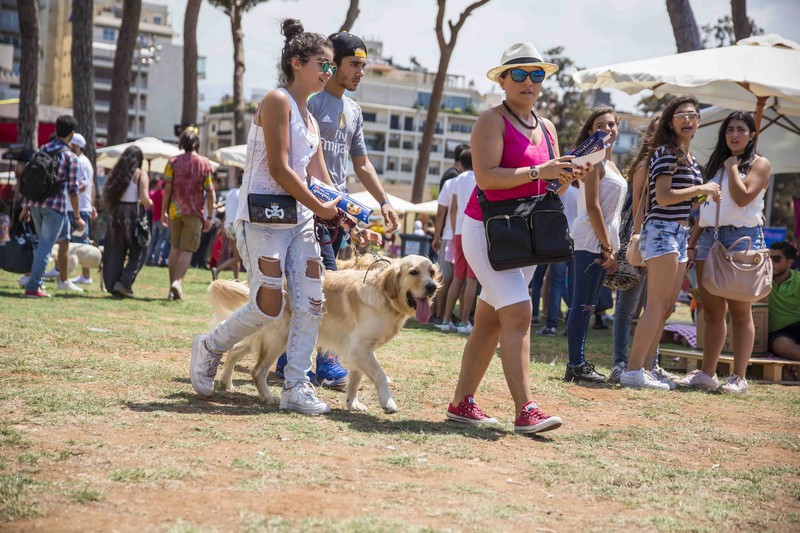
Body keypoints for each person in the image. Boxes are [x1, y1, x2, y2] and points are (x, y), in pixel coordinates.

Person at [191, 19, 354, 414]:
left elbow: (322, 177)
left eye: (332, 65)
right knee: (266, 305)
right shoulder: (277, 101)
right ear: (297, 63)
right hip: (263, 219)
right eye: (323, 63)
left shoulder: (311, 118)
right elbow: (281, 169)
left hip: (299, 224)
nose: (328, 72)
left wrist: (347, 212)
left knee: (312, 301)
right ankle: (210, 345)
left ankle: (297, 384)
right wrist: (321, 208)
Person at [446, 42, 588, 434]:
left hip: (525, 233)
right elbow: (488, 178)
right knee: (520, 313)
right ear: (503, 80)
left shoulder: (547, 127)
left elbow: (547, 190)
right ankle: (526, 409)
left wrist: (567, 177)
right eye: (520, 74)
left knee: (490, 321)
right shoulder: (490, 120)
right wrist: (541, 170)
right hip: (487, 231)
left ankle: (461, 403)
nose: (529, 82)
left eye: (537, 74)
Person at [289, 30, 400, 387]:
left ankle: (294, 358)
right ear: (332, 63)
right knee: (322, 286)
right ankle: (320, 362)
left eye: (363, 66)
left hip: (339, 213)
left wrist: (384, 202)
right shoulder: (310, 101)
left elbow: (362, 163)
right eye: (354, 64)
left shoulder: (353, 110)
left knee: (319, 286)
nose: (360, 73)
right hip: (307, 208)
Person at [621, 95, 721, 390]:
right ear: (670, 122)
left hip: (678, 232)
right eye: (680, 115)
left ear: (699, 121)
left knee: (665, 307)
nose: (687, 120)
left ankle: (648, 368)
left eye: (692, 115)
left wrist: (704, 194)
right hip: (662, 230)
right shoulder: (666, 153)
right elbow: (663, 197)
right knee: (656, 305)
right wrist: (701, 187)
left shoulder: (689, 159)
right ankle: (633, 370)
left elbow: (685, 199)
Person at [674, 111, 772, 394]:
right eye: (730, 129)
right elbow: (705, 207)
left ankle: (739, 377)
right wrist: (692, 242)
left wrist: (732, 166)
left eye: (741, 129)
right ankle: (707, 373)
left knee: (741, 310)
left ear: (752, 135)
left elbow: (742, 198)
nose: (735, 134)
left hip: (743, 238)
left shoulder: (760, 164)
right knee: (712, 310)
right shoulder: (715, 164)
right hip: (709, 238)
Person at [564, 106, 627, 384]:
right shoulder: (594, 162)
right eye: (601, 125)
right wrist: (607, 248)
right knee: (583, 305)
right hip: (591, 239)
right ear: (591, 131)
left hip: (603, 240)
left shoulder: (611, 164)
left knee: (588, 304)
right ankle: (576, 365)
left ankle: (577, 364)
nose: (608, 129)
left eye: (612, 124)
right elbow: (592, 207)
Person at [609, 114, 661, 384]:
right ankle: (620, 363)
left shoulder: (677, 161)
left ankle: (650, 363)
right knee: (628, 305)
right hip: (640, 235)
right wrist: (638, 237)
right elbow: (638, 202)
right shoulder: (645, 164)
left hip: (664, 237)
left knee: (656, 304)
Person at [19, 114, 86, 297]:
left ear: (56, 130)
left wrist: (25, 207)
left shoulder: (40, 150)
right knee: (45, 247)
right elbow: (73, 190)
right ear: (71, 134)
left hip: (34, 204)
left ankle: (44, 282)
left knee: (45, 243)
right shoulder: (70, 157)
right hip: (55, 206)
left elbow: (29, 181)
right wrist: (78, 217)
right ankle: (33, 286)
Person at [161, 128, 216, 300]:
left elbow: (167, 189)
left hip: (175, 210)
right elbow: (210, 192)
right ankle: (178, 282)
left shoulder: (172, 162)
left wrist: (163, 211)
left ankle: (172, 289)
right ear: (197, 143)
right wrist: (209, 216)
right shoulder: (204, 163)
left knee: (175, 248)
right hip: (194, 212)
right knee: (187, 249)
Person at [101, 146, 153, 297]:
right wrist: (150, 202)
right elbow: (144, 199)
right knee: (139, 250)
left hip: (115, 214)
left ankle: (112, 284)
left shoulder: (117, 173)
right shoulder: (140, 174)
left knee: (114, 251)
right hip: (133, 215)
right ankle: (124, 282)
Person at [437, 148, 477, 334]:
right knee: (471, 280)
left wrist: (453, 232)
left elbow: (452, 209)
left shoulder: (457, 179)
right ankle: (463, 322)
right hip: (475, 231)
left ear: (460, 164)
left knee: (457, 278)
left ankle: (445, 319)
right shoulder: (480, 177)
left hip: (459, 233)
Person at [67, 132, 97, 285]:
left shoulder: (79, 161)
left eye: (71, 144)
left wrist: (69, 193)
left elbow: (83, 185)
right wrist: (91, 205)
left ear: (77, 146)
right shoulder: (86, 161)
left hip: (77, 208)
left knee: (80, 244)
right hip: (81, 207)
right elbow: (91, 185)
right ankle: (84, 275)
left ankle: (85, 276)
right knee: (79, 242)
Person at [767, 241, 800, 361]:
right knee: (783, 346)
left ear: (789, 262)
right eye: (768, 258)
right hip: (777, 334)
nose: (770, 262)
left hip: (797, 326)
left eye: (776, 258)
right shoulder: (760, 280)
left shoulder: (798, 280)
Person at [432, 174, 457, 328]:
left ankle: (439, 315)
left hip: (448, 236)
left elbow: (441, 213)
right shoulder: (479, 179)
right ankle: (461, 317)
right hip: (469, 237)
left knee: (443, 280)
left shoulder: (450, 183)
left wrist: (436, 236)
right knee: (464, 281)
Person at [212, 181, 241, 281]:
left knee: (235, 255)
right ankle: (218, 269)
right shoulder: (241, 192)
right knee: (239, 257)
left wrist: (223, 225)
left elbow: (226, 211)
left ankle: (236, 279)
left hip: (228, 225)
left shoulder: (230, 193)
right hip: (236, 225)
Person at [147, 176, 170, 266]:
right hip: (162, 219)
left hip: (154, 219)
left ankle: (148, 258)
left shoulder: (155, 194)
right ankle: (156, 259)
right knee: (161, 240)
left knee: (152, 240)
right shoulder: (163, 194)